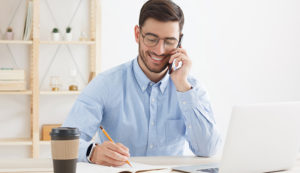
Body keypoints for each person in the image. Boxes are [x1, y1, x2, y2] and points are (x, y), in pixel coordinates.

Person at [63, 0, 221, 167]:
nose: (160, 50)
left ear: (179, 41)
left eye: (169, 41)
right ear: (137, 34)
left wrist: (183, 87)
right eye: (152, 39)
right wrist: (92, 152)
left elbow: (208, 149)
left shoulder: (191, 88)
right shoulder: (105, 84)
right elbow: (64, 143)